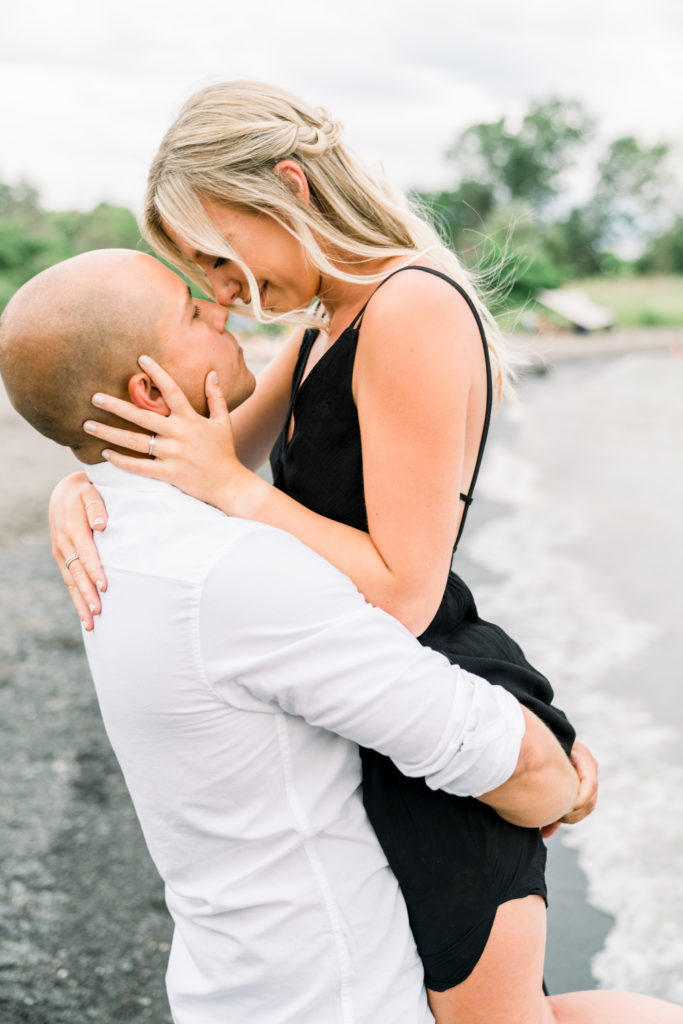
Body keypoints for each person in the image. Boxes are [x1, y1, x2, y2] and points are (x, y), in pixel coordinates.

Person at [47, 83, 683, 1023]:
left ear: (289, 188)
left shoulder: (410, 307)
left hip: (438, 691)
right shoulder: (321, 322)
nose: (225, 292)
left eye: (218, 257)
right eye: (199, 276)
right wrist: (87, 484)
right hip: (385, 705)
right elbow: (211, 457)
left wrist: (229, 489)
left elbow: (403, 588)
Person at [1, 249, 592, 1024]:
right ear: (149, 389)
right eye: (191, 309)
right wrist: (568, 781)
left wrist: (82, 475)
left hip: (234, 983)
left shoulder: (114, 539)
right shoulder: (235, 571)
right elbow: (510, 763)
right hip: (340, 997)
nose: (221, 305)